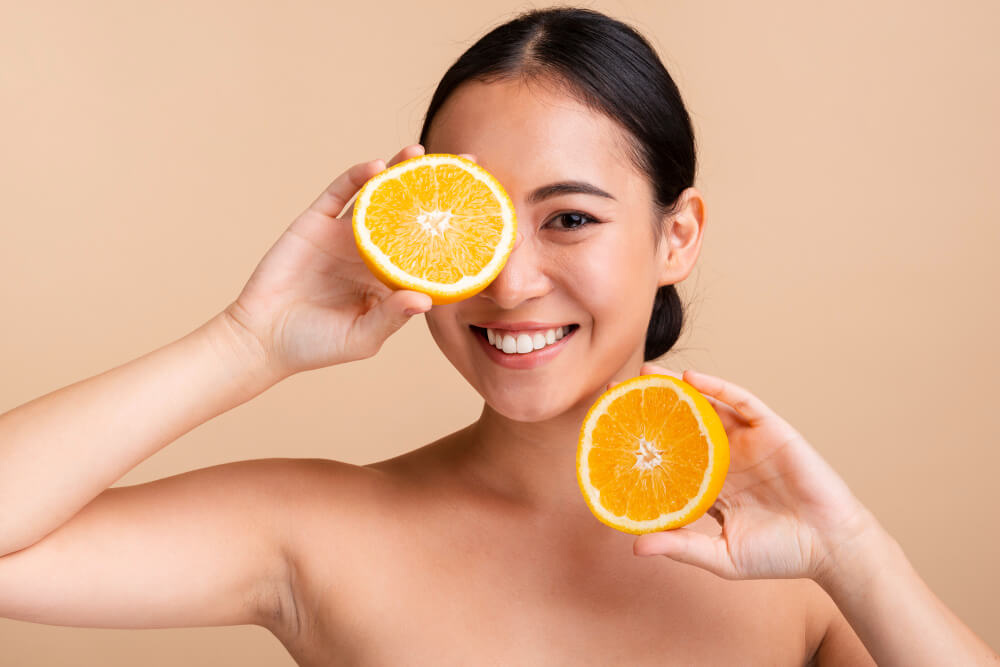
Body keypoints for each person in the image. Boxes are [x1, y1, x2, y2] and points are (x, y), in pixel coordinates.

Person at [0, 6, 996, 666]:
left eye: (570, 219)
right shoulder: (319, 530)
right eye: (473, 227)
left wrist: (854, 555)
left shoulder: (794, 570)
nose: (512, 283)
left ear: (676, 234)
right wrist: (244, 341)